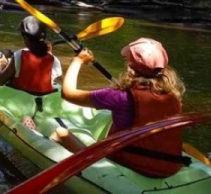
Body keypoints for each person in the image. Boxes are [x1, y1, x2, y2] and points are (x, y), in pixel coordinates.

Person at [56, 37, 186, 177]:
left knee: (60, 133)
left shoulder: (120, 96)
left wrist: (78, 60)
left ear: (130, 67)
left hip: (131, 162)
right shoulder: (173, 97)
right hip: (169, 166)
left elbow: (67, 93)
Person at [0, 16, 62, 96]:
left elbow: (0, 80)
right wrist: (48, 52)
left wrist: (3, 61)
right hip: (43, 98)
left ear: (25, 38)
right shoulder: (54, 60)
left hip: (21, 98)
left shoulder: (19, 55)